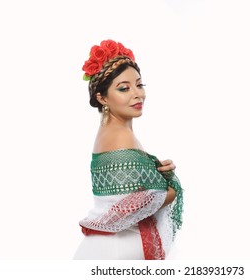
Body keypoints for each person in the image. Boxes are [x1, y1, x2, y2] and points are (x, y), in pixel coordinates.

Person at [73, 39, 183, 260]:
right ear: (102, 97)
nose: (137, 94)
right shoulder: (119, 135)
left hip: (112, 250)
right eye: (124, 88)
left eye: (139, 85)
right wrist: (171, 186)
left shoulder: (114, 131)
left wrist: (157, 170)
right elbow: (131, 205)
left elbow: (132, 190)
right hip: (114, 254)